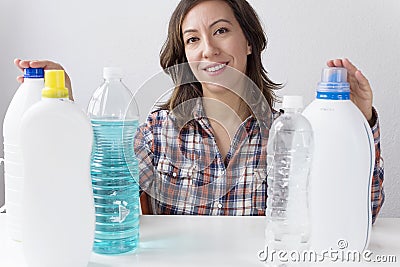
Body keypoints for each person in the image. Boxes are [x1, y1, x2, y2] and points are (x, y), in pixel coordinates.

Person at [14, 0, 384, 220]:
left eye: (221, 31)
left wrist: (360, 121)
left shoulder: (289, 132)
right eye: (193, 39)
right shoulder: (160, 131)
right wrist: (61, 106)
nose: (207, 49)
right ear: (186, 56)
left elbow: (357, 211)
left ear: (250, 41)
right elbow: (99, 188)